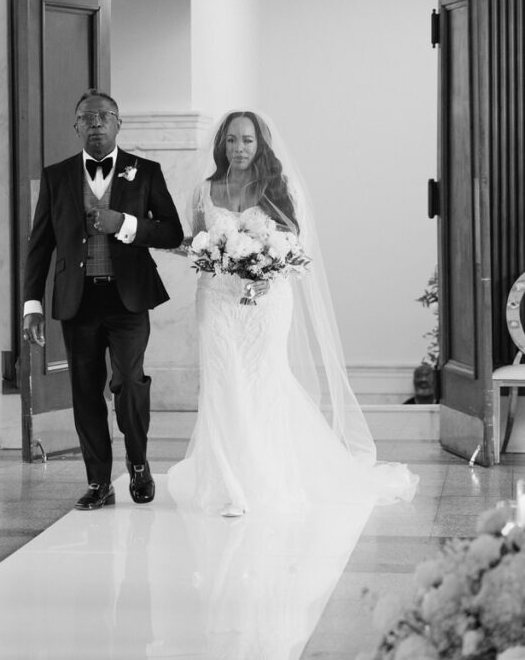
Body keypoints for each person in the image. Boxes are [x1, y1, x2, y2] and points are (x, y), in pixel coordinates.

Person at [168, 110, 418, 517]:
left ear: (260, 144)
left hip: (266, 300)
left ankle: (266, 476)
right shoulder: (204, 191)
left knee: (262, 379)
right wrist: (171, 244)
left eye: (247, 140)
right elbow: (195, 241)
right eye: (231, 140)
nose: (239, 149)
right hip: (216, 298)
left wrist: (268, 273)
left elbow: (297, 250)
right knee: (220, 381)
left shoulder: (279, 189)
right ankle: (226, 483)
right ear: (221, 144)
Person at [23, 89, 183, 510]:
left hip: (128, 299)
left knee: (129, 382)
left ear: (118, 123)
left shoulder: (145, 171)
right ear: (76, 126)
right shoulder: (57, 176)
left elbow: (171, 231)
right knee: (85, 391)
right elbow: (39, 246)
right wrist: (32, 304)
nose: (95, 123)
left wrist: (125, 223)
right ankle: (98, 482)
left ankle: (138, 463)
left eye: (104, 116)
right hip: (77, 302)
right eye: (86, 118)